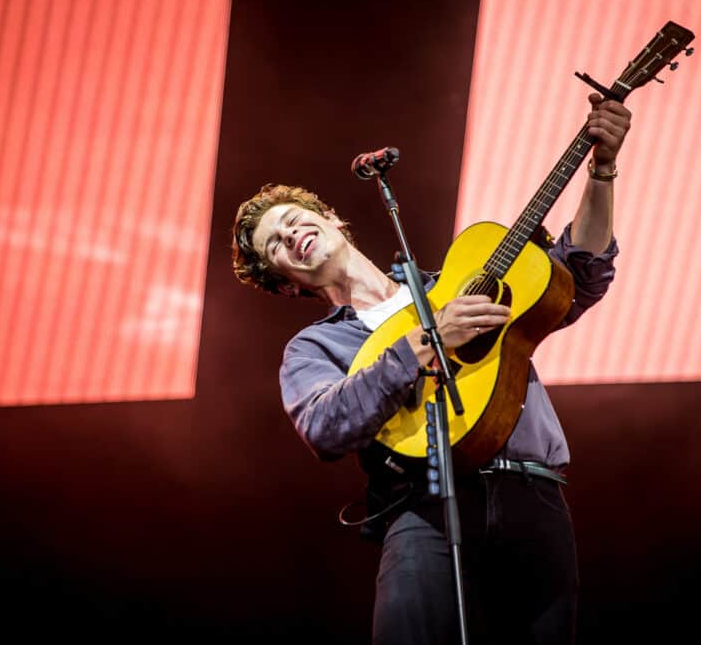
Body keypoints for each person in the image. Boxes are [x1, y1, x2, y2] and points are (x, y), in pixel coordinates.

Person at [231, 92, 631, 644]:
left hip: (532, 498)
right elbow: (325, 427)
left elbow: (577, 278)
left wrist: (602, 169)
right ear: (281, 280)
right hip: (422, 511)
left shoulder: (456, 284)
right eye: (273, 243)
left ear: (331, 219)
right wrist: (425, 343)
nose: (290, 235)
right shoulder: (313, 348)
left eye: (295, 219)